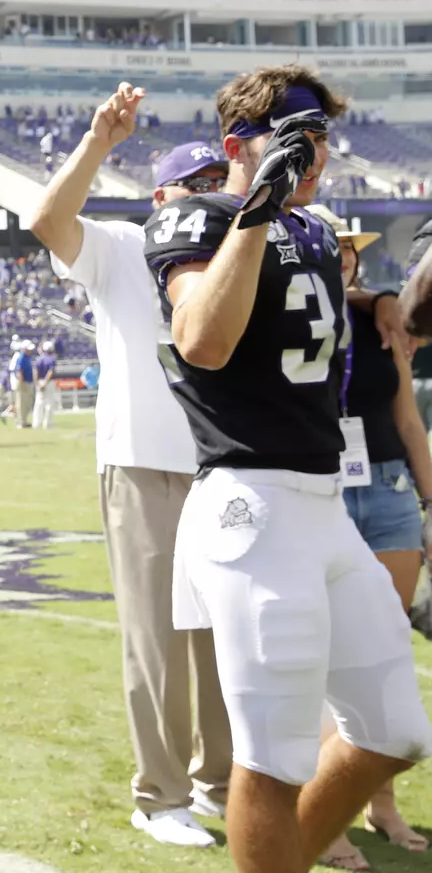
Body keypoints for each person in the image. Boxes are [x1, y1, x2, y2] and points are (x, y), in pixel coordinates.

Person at [144, 64, 432, 873]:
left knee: (397, 732)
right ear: (242, 146)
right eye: (302, 137)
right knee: (273, 757)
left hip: (325, 504)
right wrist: (255, 210)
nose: (319, 155)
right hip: (251, 506)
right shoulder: (195, 218)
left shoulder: (314, 229)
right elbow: (203, 338)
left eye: (325, 139)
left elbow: (388, 323)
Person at [31, 93, 230, 849]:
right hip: (143, 464)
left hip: (219, 465)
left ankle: (218, 782)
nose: (206, 193)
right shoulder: (122, 245)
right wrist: (96, 143)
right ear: (159, 199)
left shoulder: (227, 259)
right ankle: (160, 795)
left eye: (217, 179)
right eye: (192, 183)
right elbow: (49, 224)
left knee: (218, 636)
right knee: (156, 639)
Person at [306, 204, 432, 870]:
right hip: (319, 492)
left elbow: (409, 421)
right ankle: (327, 816)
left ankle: (380, 804)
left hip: (387, 494)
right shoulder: (288, 319)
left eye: (349, 248)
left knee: (384, 654)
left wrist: (431, 504)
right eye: (331, 247)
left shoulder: (380, 321)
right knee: (325, 665)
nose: (343, 256)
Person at [33, 340, 58, 430]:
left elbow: (35, 371)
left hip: (39, 381)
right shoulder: (52, 358)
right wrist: (45, 382)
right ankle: (47, 424)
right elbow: (51, 371)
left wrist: (37, 383)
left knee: (39, 403)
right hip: (49, 383)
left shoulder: (39, 358)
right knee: (49, 404)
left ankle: (36, 423)